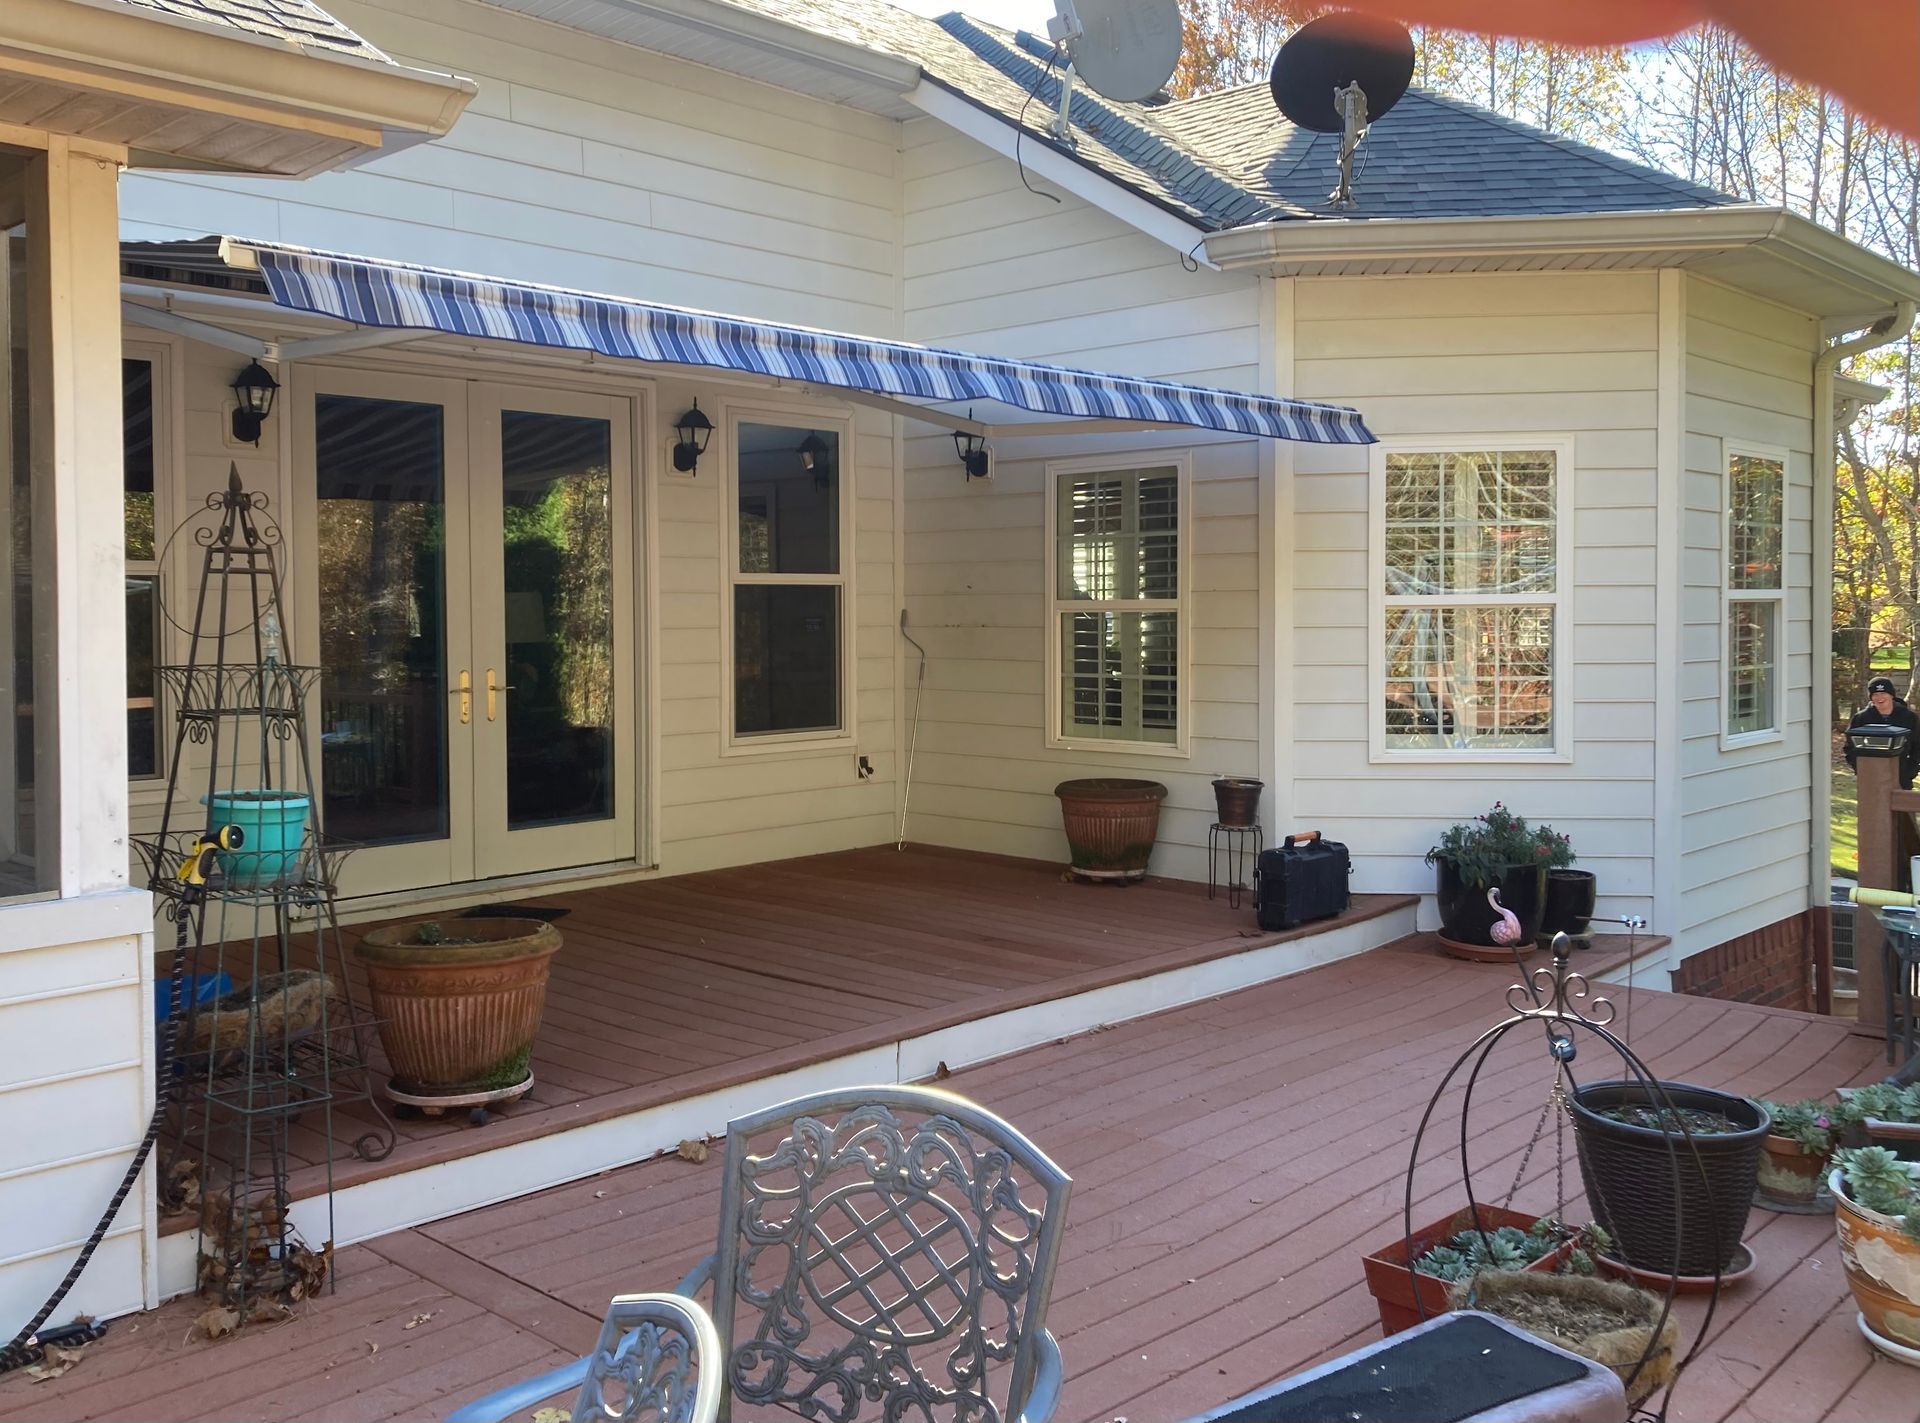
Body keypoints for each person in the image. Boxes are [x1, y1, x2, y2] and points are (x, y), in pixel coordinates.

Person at [1846, 675, 1920, 790]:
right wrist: (1860, 769)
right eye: (1875, 694)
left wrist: (1909, 772)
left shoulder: (1909, 717)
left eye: (1883, 693)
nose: (1879, 697)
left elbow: (1917, 746)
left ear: (1891, 695)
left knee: (1900, 807)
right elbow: (1850, 748)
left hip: (1901, 778)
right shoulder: (1861, 718)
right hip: (1870, 777)